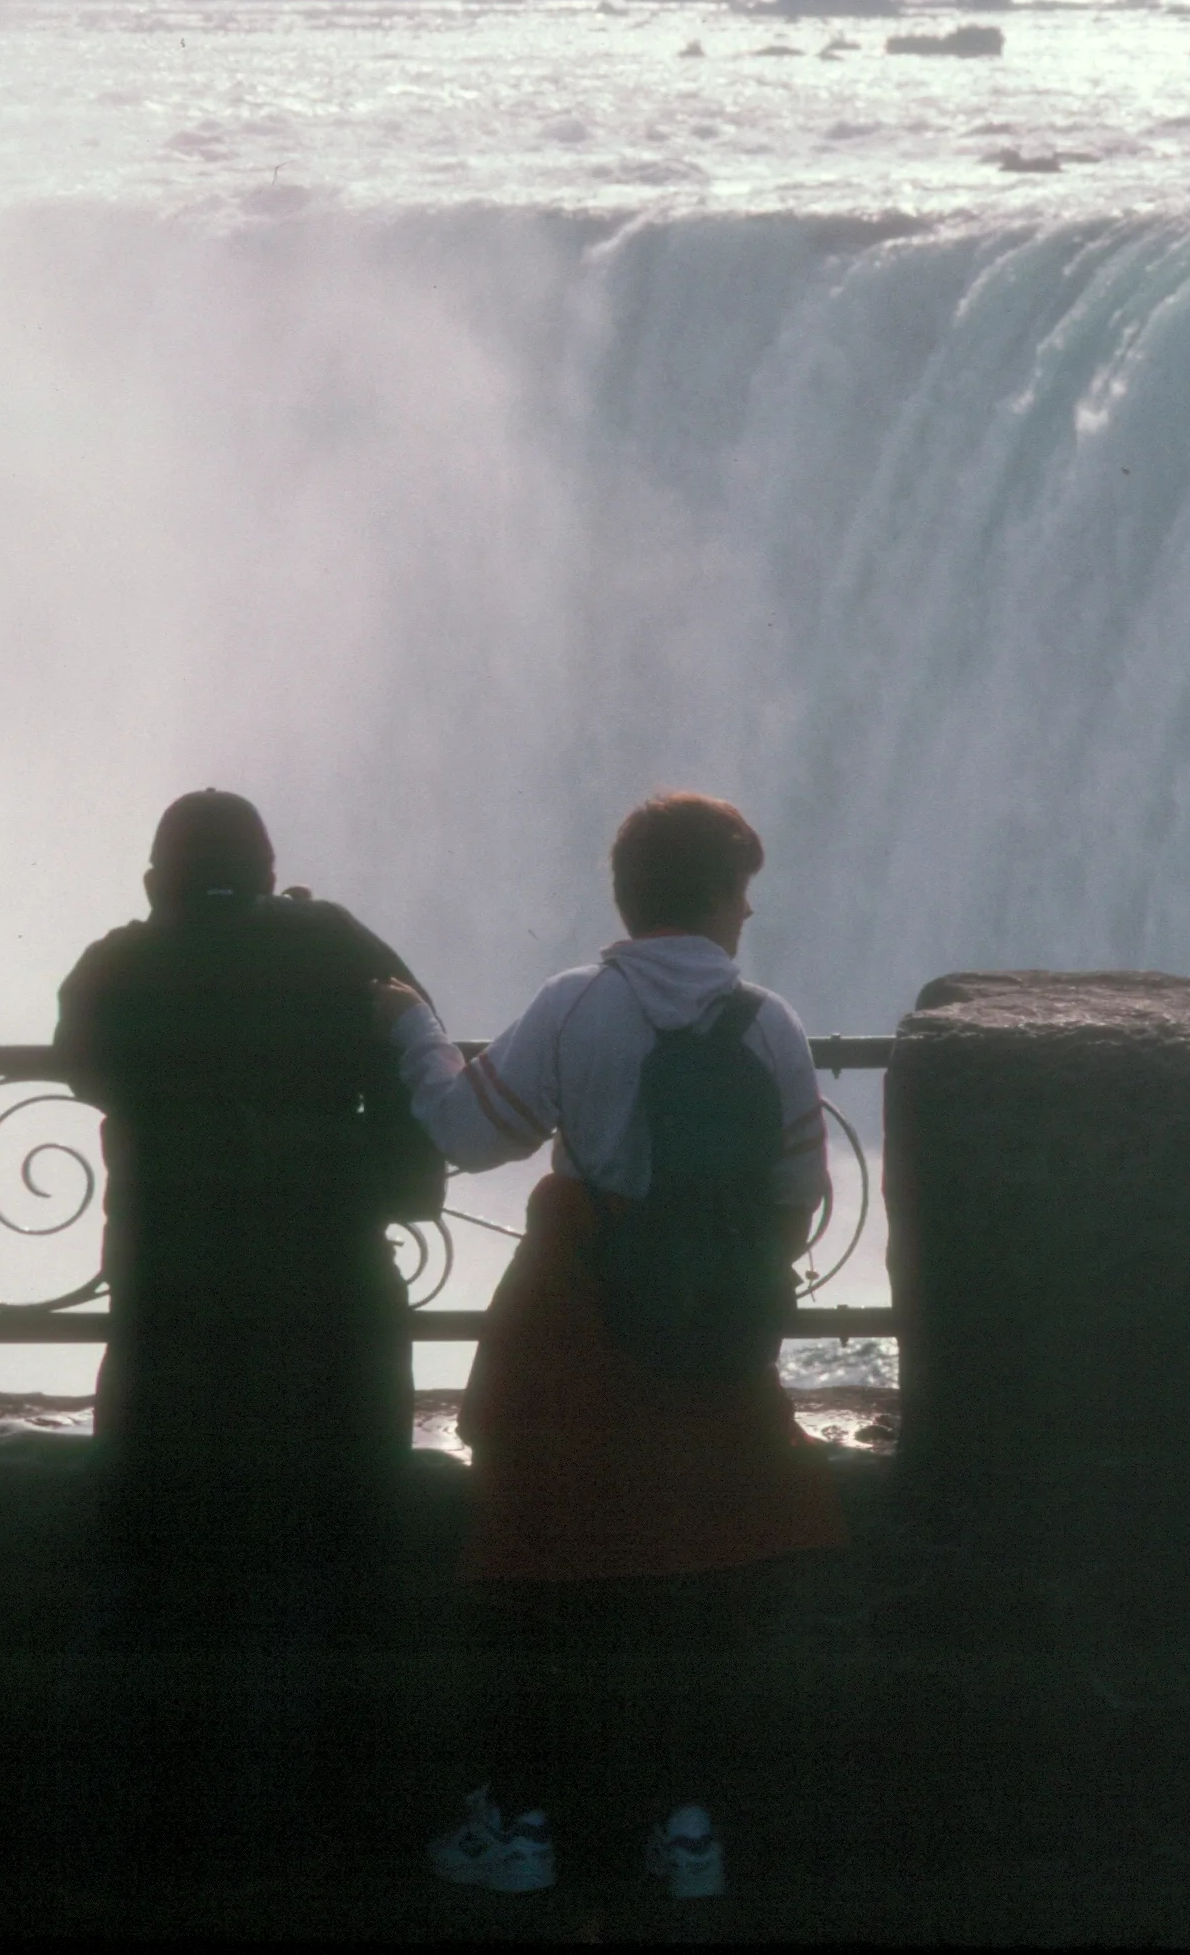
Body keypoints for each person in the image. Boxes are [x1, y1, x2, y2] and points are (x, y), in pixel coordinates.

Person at [380, 791, 844, 1902]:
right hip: (713, 1335)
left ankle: (523, 1820)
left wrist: (410, 1027)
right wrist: (715, 1273)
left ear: (627, 894)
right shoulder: (770, 1025)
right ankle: (686, 1826)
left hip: (575, 1320)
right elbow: (799, 1195)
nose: (749, 912)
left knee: (543, 1564)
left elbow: (466, 1132)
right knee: (704, 1568)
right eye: (743, 890)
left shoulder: (575, 1003)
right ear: (719, 897)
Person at [51, 789, 444, 1890]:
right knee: (344, 1554)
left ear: (154, 882)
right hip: (331, 1309)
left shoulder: (117, 966)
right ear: (271, 874)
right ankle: (349, 1833)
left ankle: (142, 1837)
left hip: (172, 1315)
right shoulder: (333, 943)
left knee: (158, 1563)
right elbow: (410, 1048)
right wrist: (388, 1174)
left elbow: (80, 1061)